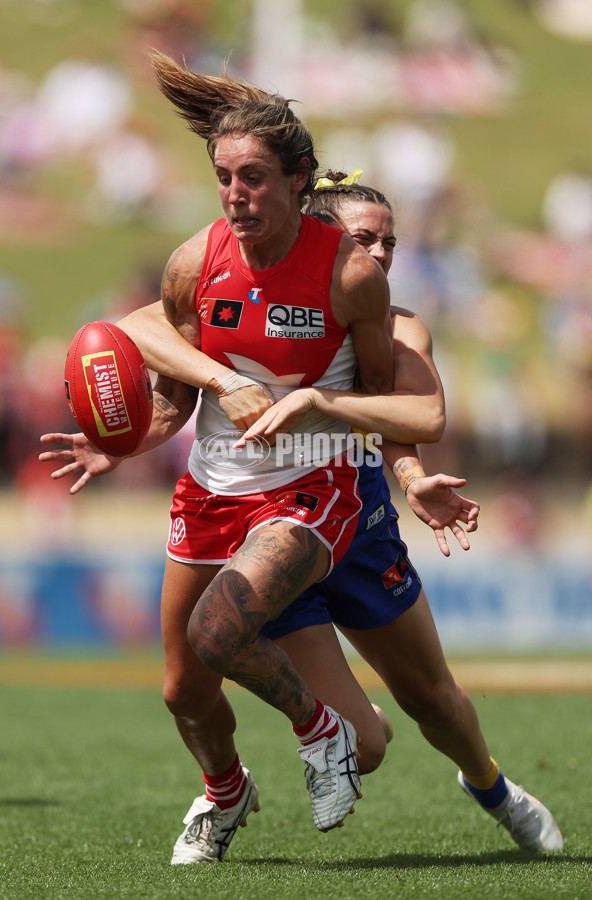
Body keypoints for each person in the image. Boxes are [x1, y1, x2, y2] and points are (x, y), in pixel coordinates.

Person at [42, 169, 563, 862]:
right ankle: (239, 782)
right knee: (284, 716)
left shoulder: (397, 323)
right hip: (268, 526)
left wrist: (408, 476)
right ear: (318, 236)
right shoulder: (243, 287)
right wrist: (129, 438)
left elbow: (404, 413)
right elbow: (148, 334)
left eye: (389, 243)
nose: (377, 256)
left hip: (356, 526)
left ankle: (493, 788)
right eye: (361, 240)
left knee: (434, 701)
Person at [41, 50, 442, 853]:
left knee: (217, 633)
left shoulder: (352, 276)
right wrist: (123, 443)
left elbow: (384, 405)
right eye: (224, 177)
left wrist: (394, 462)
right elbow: (173, 393)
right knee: (184, 690)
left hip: (309, 490)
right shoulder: (197, 261)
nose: (235, 194)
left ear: (300, 182)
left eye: (253, 177)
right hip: (211, 490)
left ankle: (318, 730)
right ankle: (224, 795)